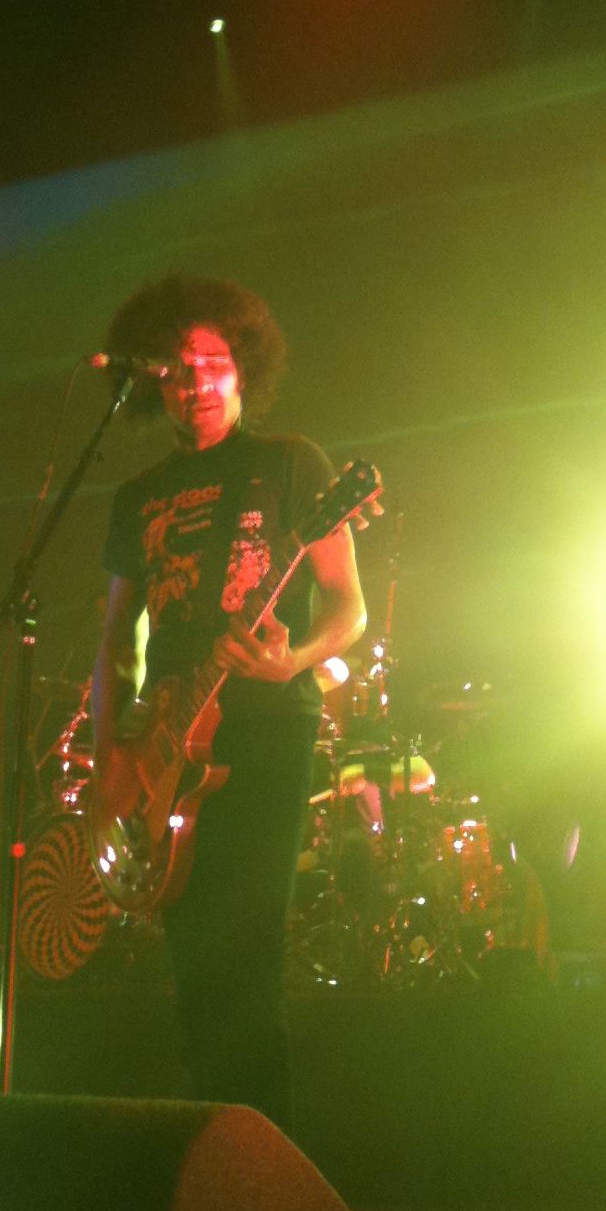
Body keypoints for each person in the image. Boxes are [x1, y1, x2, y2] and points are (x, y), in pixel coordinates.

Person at [90, 275, 367, 1131]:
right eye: (175, 369)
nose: (195, 382)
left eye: (212, 363)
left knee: (245, 958)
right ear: (153, 386)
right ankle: (206, 1152)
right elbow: (111, 645)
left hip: (263, 731)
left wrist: (297, 661)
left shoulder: (292, 465)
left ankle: (263, 1175)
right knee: (195, 969)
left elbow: (345, 607)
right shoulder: (134, 500)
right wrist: (111, 763)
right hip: (164, 749)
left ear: (244, 370)